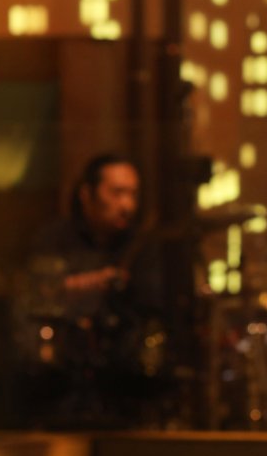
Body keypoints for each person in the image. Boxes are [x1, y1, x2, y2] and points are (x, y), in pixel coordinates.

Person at [20, 153, 166, 428]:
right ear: (87, 194)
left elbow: (151, 310)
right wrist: (87, 284)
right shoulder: (54, 239)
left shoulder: (142, 247)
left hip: (125, 386)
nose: (127, 205)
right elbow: (35, 293)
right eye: (117, 193)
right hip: (59, 385)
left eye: (133, 194)